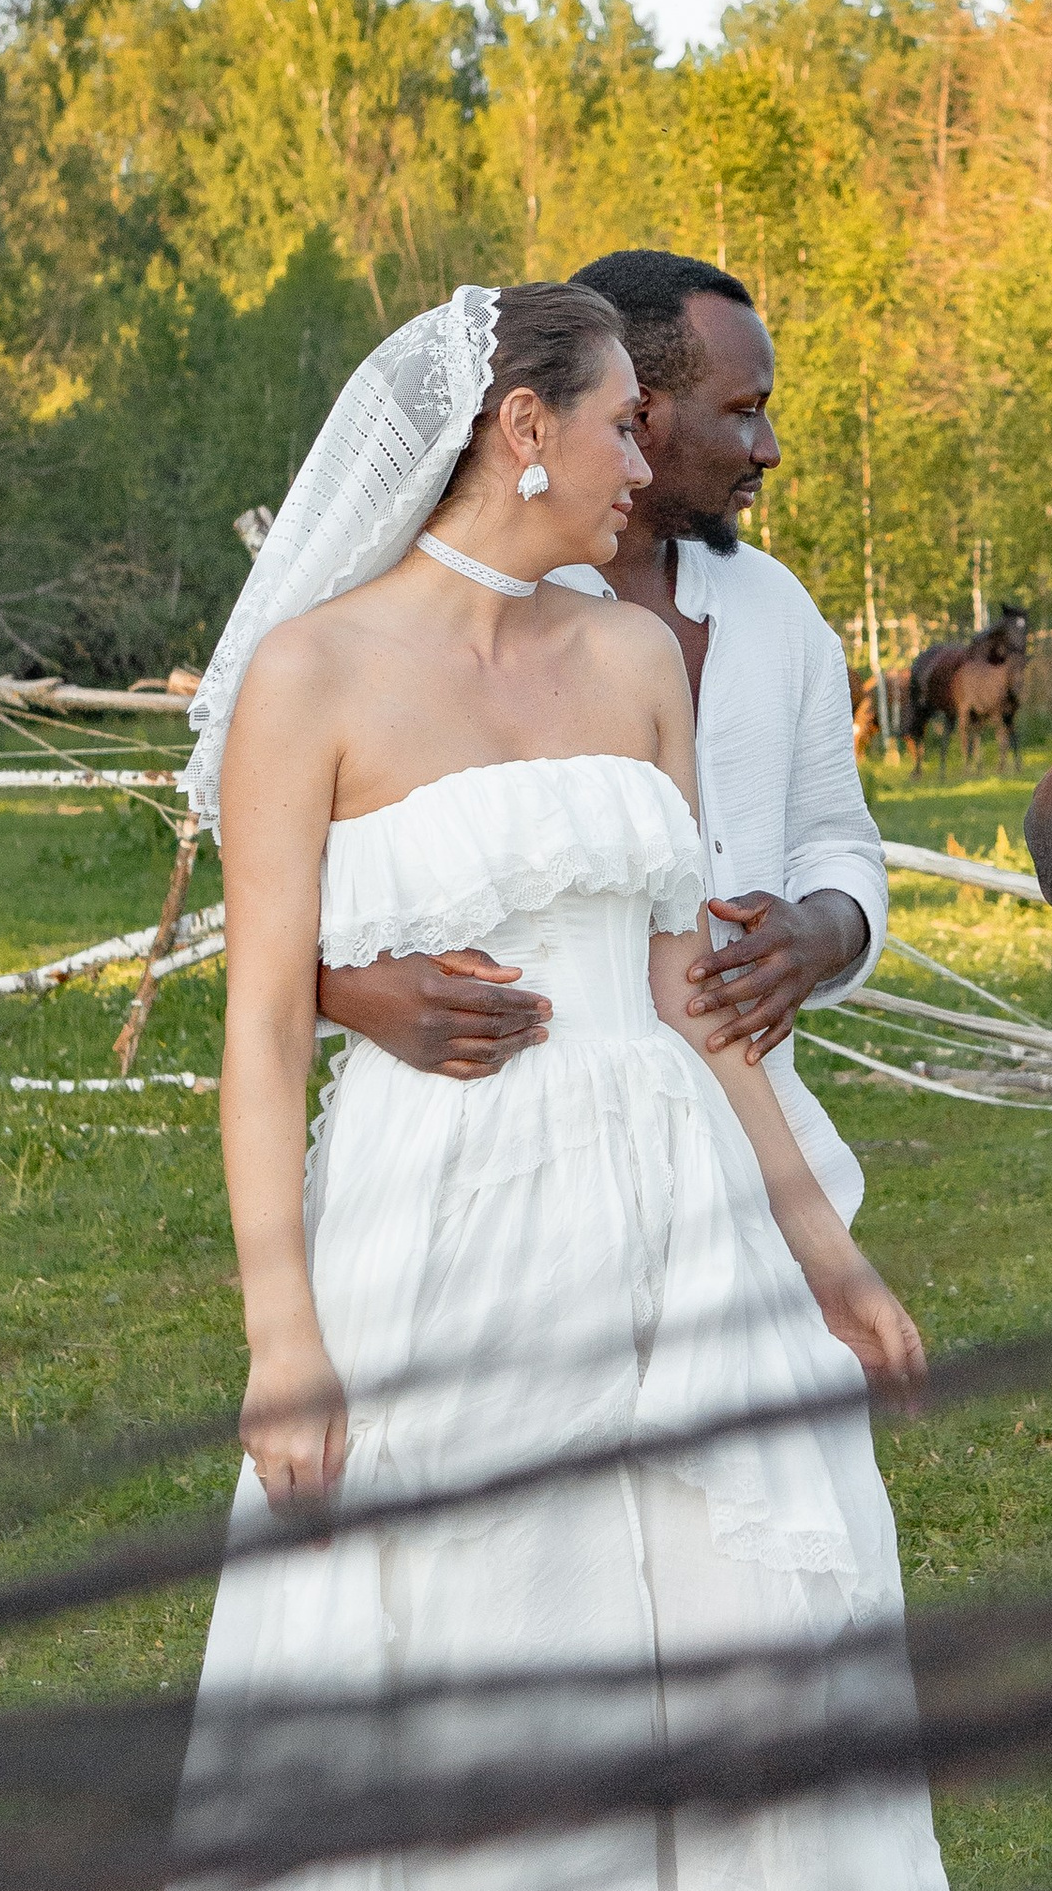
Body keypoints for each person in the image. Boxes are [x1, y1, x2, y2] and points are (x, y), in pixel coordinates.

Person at [122, 283, 963, 1891]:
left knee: (753, 1636)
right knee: (484, 1641)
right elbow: (261, 1022)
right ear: (523, 428)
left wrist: (824, 1247)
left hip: (678, 1211)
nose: (640, 468)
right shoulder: (313, 682)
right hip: (447, 1220)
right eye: (613, 436)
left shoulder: (635, 661)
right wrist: (285, 1334)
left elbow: (689, 992)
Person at [315, 250, 881, 1224]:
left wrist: (820, 934)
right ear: (642, 411)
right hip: (513, 1172)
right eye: (743, 410)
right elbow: (315, 877)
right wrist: (349, 992)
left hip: (753, 1145)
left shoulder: (778, 612)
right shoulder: (439, 631)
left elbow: (836, 835)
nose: (770, 448)